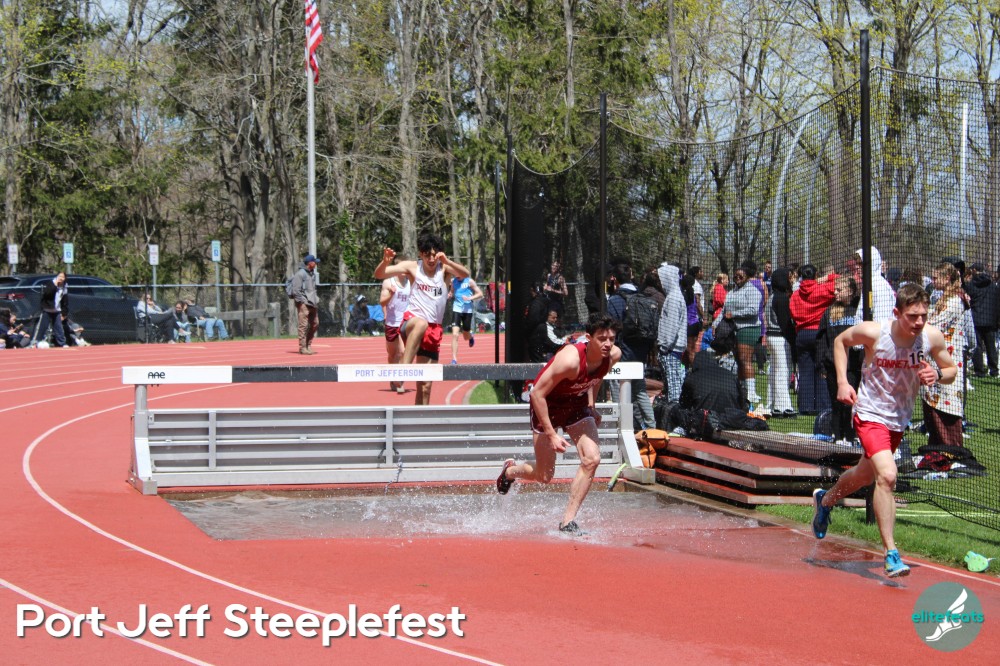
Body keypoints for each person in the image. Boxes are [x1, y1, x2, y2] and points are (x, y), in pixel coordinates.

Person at [812, 283, 956, 577]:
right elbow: (840, 341)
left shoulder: (930, 337)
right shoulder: (875, 333)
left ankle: (825, 501)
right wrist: (843, 382)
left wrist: (937, 373)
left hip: (898, 419)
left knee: (864, 475)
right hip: (869, 414)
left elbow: (952, 370)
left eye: (923, 316)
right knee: (888, 475)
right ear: (896, 313)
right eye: (912, 316)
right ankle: (891, 554)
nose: (918, 322)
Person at [495, 313, 622, 535]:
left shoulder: (613, 355)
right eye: (602, 339)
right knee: (544, 476)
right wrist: (552, 434)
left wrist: (591, 406)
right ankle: (510, 471)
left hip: (576, 406)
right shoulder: (570, 360)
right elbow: (537, 394)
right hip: (548, 406)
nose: (608, 344)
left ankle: (567, 521)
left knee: (592, 459)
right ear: (588, 338)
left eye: (611, 339)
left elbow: (597, 378)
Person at [374, 233, 471, 405]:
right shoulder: (413, 267)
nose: (431, 259)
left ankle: (420, 418)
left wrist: (447, 261)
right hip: (411, 323)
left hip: (433, 331)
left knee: (425, 386)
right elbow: (380, 274)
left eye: (434, 255)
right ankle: (402, 370)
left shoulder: (444, 269)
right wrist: (385, 261)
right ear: (421, 254)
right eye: (427, 255)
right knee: (421, 323)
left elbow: (466, 273)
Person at [920, 262, 966, 447]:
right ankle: (936, 448)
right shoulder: (939, 297)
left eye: (936, 277)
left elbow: (934, 325)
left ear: (947, 279)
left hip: (948, 359)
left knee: (947, 403)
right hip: (934, 358)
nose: (933, 281)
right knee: (932, 404)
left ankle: (951, 450)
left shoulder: (955, 301)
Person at [606, 263, 655, 429]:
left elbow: (611, 328)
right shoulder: (642, 296)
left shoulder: (614, 300)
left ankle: (620, 425)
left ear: (614, 279)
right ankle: (651, 426)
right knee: (640, 389)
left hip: (621, 352)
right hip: (640, 352)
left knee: (616, 387)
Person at [815, 276, 861, 440]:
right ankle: (837, 436)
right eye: (835, 289)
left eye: (839, 290)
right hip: (832, 365)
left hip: (852, 366)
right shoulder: (830, 312)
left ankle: (850, 436)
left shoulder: (858, 310)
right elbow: (821, 340)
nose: (835, 292)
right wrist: (821, 364)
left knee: (850, 404)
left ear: (850, 291)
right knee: (836, 404)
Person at [789, 264, 837, 414]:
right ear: (816, 275)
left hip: (802, 334)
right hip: (819, 332)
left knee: (805, 371)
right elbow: (840, 281)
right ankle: (823, 406)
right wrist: (826, 277)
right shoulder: (821, 289)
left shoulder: (795, 295)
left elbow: (792, 313)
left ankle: (806, 406)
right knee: (822, 369)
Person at [723, 262, 764, 408]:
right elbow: (724, 310)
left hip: (749, 328)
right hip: (735, 329)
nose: (737, 278)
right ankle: (741, 389)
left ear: (747, 276)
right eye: (735, 276)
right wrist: (715, 325)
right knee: (739, 360)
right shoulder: (732, 292)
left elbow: (753, 310)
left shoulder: (753, 291)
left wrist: (734, 314)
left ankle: (751, 393)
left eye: (741, 276)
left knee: (745, 359)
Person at [763, 267, 797, 417]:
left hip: (771, 336)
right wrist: (793, 339)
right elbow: (785, 323)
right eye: (788, 278)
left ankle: (772, 404)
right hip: (779, 337)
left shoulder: (772, 296)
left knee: (774, 371)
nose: (790, 280)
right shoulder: (782, 298)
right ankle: (783, 407)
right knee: (783, 371)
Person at [656, 263, 687, 403]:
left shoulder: (673, 298)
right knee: (671, 385)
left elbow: (671, 327)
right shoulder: (673, 296)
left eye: (661, 279)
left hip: (671, 350)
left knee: (674, 386)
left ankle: (674, 411)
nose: (659, 283)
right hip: (671, 349)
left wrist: (664, 347)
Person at [380, 261, 411, 394]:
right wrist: (391, 294)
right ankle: (392, 378)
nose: (404, 271)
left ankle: (400, 380)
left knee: (403, 352)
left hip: (405, 322)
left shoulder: (411, 282)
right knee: (392, 355)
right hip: (391, 323)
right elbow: (382, 302)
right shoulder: (388, 282)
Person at [964, 262, 999, 377]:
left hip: (976, 318)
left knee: (977, 346)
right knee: (991, 346)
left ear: (974, 270)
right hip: (990, 320)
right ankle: (994, 370)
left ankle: (979, 371)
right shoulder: (992, 284)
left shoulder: (971, 284)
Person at [448, 274, 483, 364]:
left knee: (465, 335)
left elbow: (480, 294)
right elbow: (452, 291)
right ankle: (454, 359)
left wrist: (470, 298)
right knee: (455, 334)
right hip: (457, 309)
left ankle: (470, 336)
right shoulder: (453, 281)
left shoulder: (469, 281)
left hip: (467, 310)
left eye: (459, 274)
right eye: (456, 274)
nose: (457, 276)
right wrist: (450, 294)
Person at [291, 254, 320, 355]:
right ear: (310, 263)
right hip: (304, 303)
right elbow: (296, 290)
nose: (316, 264)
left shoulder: (312, 274)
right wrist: (302, 302)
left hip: (313, 303)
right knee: (303, 325)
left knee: (315, 323)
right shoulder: (300, 274)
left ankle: (308, 345)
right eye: (314, 262)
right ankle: (302, 347)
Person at [39, 272, 70, 348]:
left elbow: (65, 301)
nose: (61, 278)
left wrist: (64, 313)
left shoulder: (64, 286)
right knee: (43, 327)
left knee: (59, 328)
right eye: (59, 276)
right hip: (47, 309)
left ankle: (62, 343)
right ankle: (36, 342)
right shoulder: (51, 283)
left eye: (63, 277)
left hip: (57, 310)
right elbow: (47, 294)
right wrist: (55, 285)